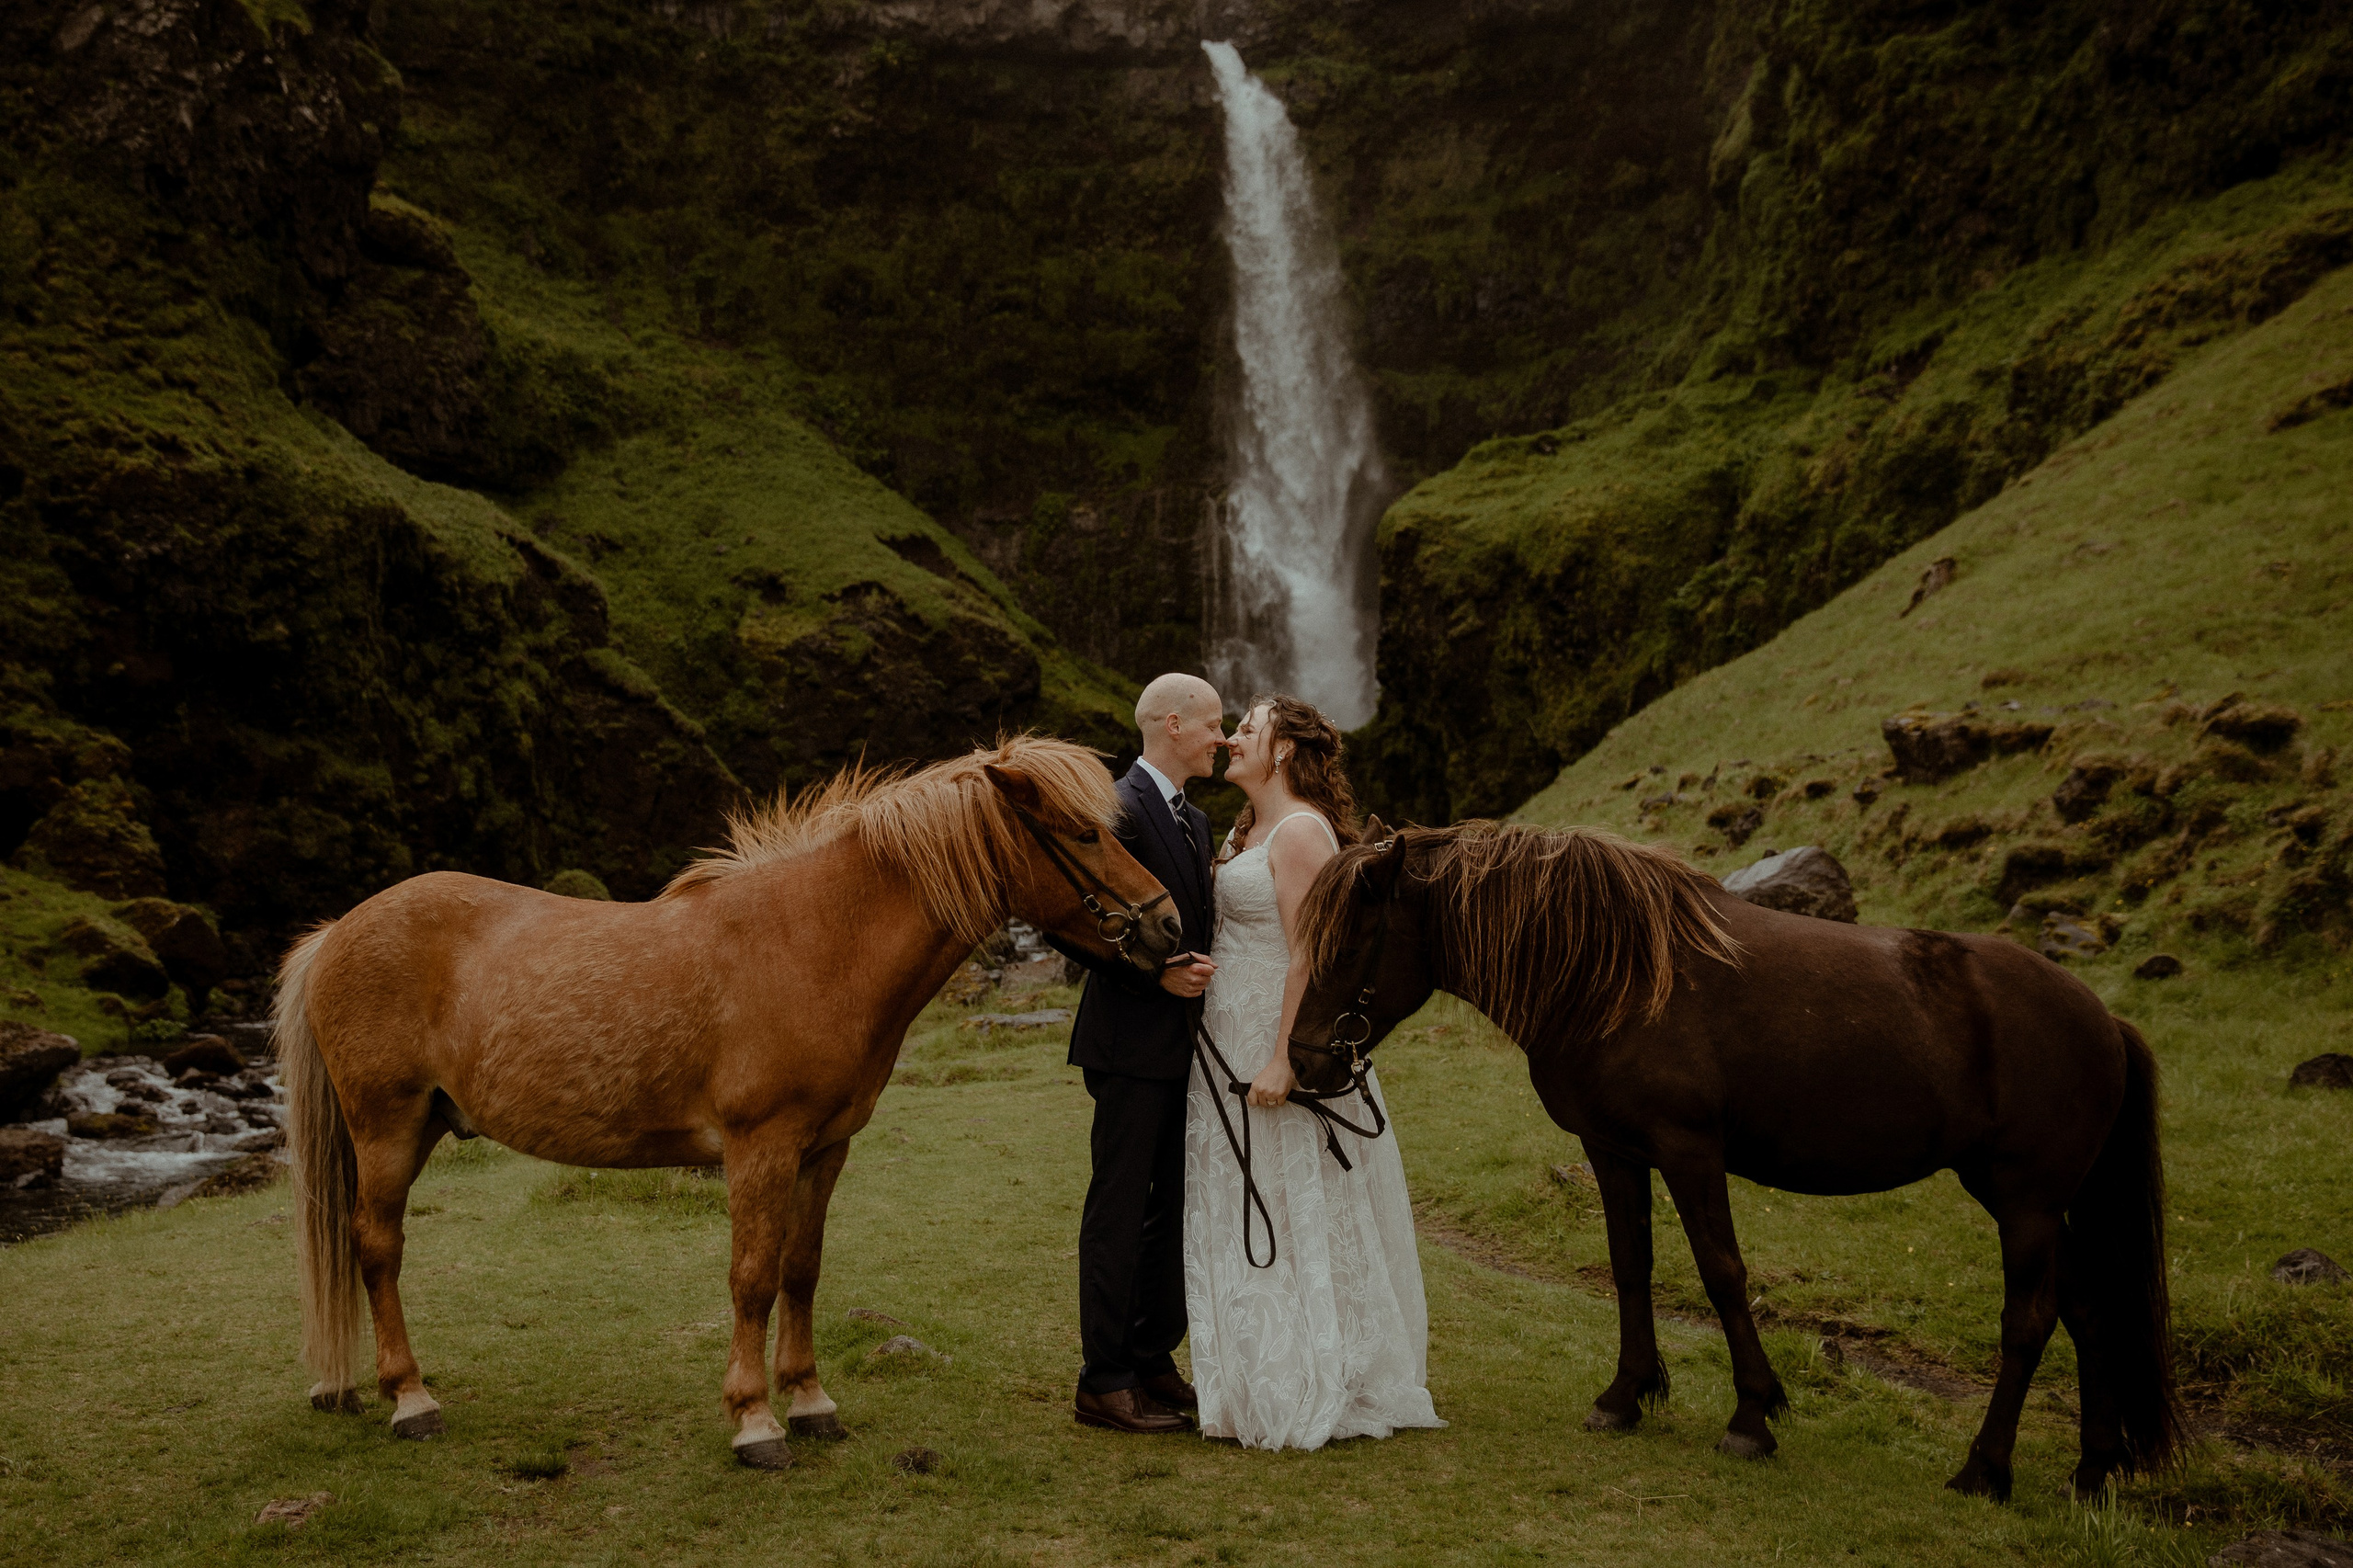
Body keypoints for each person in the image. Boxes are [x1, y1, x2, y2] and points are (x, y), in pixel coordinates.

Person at [1183, 694, 1442, 1450]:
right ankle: (1254, 1373)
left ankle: (1317, 1370)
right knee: (1241, 1196)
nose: (1233, 737)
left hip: (1274, 1040)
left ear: (1285, 751)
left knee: (1297, 1199)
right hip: (1224, 1036)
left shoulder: (1300, 832)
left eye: (1249, 730)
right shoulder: (1244, 829)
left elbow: (1313, 955)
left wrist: (1284, 1058)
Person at [1045, 672, 1223, 1435]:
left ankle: (1152, 1358)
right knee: (1119, 1209)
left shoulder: (1199, 820)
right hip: (1127, 1042)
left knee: (1175, 1209)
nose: (1223, 737)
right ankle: (1103, 1380)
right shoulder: (1113, 805)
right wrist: (1155, 970)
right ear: (1174, 725)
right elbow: (1063, 918)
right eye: (1215, 724)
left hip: (1190, 1049)